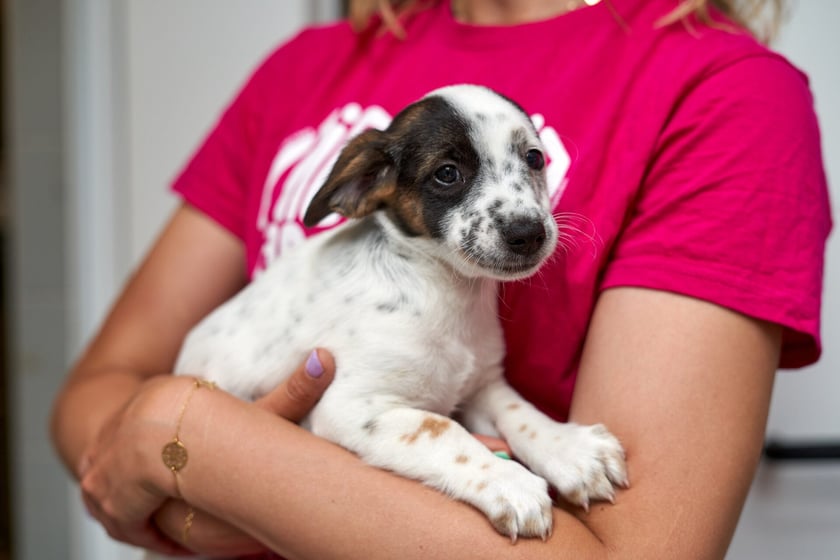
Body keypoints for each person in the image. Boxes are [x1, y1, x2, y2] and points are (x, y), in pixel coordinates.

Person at [50, 0, 832, 558]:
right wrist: (184, 485)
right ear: (368, 193)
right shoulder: (305, 68)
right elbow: (97, 393)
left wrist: (191, 445)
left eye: (531, 162)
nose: (525, 212)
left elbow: (632, 539)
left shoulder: (723, 88)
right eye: (453, 174)